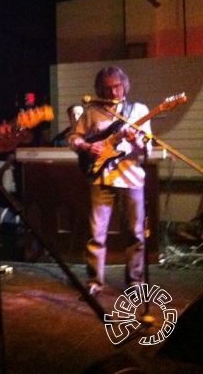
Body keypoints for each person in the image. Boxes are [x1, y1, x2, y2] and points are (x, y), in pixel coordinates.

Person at [67, 66, 152, 297]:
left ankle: (135, 281)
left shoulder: (139, 110)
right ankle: (95, 281)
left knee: (135, 232)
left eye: (117, 86)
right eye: (107, 88)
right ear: (99, 89)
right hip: (100, 177)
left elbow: (147, 147)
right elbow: (73, 137)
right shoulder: (92, 111)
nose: (113, 91)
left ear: (124, 85)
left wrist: (136, 142)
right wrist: (86, 145)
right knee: (97, 233)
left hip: (131, 178)